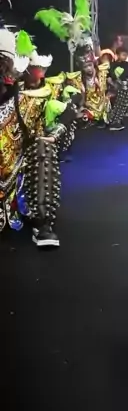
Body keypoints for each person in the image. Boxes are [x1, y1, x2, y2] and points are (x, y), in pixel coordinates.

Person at [0, 26, 75, 247]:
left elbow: (69, 111)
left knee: (43, 147)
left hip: (14, 178)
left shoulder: (27, 101)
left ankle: (43, 224)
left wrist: (55, 135)